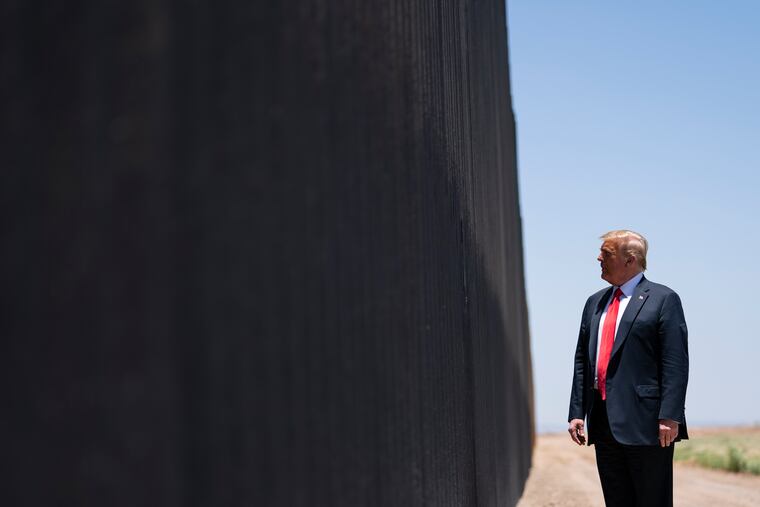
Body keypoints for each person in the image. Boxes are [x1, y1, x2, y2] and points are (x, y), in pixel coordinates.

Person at [567, 230, 689, 507]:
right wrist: (577, 411)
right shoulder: (594, 302)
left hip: (648, 424)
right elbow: (582, 360)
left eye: (607, 253)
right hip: (603, 421)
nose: (599, 258)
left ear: (630, 260)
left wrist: (670, 415)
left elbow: (675, 362)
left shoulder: (663, 299)